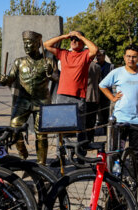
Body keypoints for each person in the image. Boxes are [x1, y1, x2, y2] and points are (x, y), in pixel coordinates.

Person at [0, 31, 57, 165]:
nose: (27, 46)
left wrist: (50, 74)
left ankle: (41, 163)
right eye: (25, 43)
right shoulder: (19, 62)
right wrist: (4, 79)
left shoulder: (47, 61)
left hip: (42, 102)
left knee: (41, 134)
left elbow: (56, 78)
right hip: (23, 101)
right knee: (14, 127)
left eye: (29, 43)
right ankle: (23, 152)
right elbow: (10, 78)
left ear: (37, 44)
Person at [99, 44, 138, 178]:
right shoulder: (117, 72)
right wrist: (112, 97)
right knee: (118, 150)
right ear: (124, 57)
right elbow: (102, 85)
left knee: (136, 152)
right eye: (128, 56)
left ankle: (134, 177)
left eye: (134, 57)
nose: (131, 59)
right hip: (120, 119)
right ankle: (117, 175)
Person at [44, 30, 98, 163]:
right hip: (62, 95)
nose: (73, 41)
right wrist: (64, 36)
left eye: (76, 40)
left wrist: (80, 36)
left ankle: (80, 155)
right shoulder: (64, 53)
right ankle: (60, 155)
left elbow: (94, 49)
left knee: (80, 128)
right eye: (72, 40)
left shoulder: (85, 54)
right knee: (60, 127)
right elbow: (46, 45)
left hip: (78, 96)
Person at [96, 50, 114, 130]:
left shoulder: (110, 66)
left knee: (105, 112)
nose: (98, 57)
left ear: (104, 56)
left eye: (100, 56)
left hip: (106, 92)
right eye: (97, 56)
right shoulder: (94, 65)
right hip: (96, 93)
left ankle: (106, 130)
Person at [85, 61, 101, 142]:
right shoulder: (97, 66)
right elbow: (99, 81)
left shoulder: (83, 65)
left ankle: (84, 140)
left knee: (84, 121)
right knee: (92, 120)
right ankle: (91, 138)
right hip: (94, 96)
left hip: (84, 96)